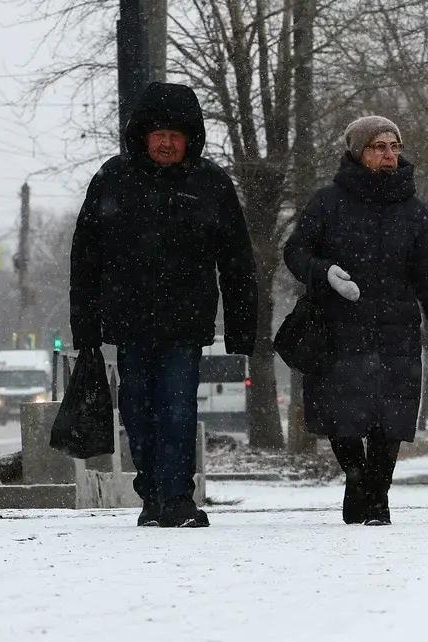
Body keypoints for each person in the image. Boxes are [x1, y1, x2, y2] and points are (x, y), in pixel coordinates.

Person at [70, 82, 258, 528]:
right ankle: (153, 495)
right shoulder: (113, 179)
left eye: (176, 134)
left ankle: (175, 497)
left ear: (190, 137)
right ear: (143, 136)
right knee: (137, 410)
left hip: (185, 324)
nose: (168, 142)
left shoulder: (211, 183)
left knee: (176, 407)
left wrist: (241, 327)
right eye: (159, 133)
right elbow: (86, 257)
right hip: (130, 323)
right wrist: (87, 328)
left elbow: (237, 260)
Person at [284, 115, 428, 526]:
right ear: (357, 151)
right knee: (343, 416)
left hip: (396, 332)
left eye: (394, 147)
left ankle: (378, 495)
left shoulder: (413, 213)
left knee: (391, 417)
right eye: (378, 146)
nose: (389, 155)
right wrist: (325, 272)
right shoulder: (327, 203)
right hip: (338, 329)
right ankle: (357, 476)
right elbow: (295, 253)